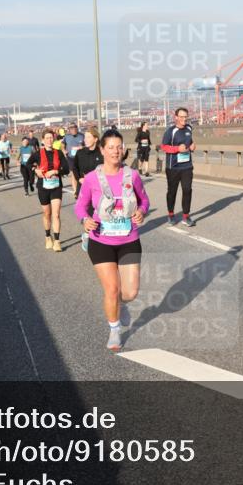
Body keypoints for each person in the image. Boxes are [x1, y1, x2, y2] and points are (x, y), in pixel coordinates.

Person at [75, 129, 149, 351]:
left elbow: (144, 200)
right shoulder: (91, 179)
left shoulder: (132, 175)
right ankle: (114, 330)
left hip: (128, 239)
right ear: (102, 150)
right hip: (101, 240)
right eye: (111, 147)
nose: (116, 151)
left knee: (130, 292)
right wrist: (85, 220)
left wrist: (141, 212)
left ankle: (121, 305)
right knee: (112, 289)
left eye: (119, 147)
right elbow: (80, 206)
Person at [29, 129, 70, 252]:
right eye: (47, 138)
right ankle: (48, 237)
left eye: (51, 138)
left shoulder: (59, 153)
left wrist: (56, 171)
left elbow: (67, 169)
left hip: (56, 186)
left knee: (56, 214)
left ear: (54, 139)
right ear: (42, 140)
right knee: (47, 214)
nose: (49, 140)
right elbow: (27, 164)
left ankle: (57, 241)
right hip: (43, 187)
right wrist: (35, 170)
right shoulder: (37, 153)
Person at [159, 107, 196, 227]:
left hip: (187, 166)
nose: (184, 119)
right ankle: (170, 214)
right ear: (176, 117)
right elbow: (163, 146)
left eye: (185, 117)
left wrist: (192, 145)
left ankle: (186, 216)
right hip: (173, 167)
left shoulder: (189, 128)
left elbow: (189, 140)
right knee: (172, 192)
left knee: (187, 190)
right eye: (181, 117)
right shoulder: (171, 131)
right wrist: (176, 149)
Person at [73, 126, 104, 197]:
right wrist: (79, 178)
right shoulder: (80, 153)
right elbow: (75, 168)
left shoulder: (102, 153)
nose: (85, 140)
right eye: (85, 137)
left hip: (99, 188)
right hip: (83, 187)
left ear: (95, 139)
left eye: (88, 137)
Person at [62, 123, 85, 194]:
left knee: (82, 173)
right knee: (73, 174)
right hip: (71, 158)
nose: (74, 129)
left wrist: (82, 148)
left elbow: (86, 145)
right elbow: (62, 145)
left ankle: (83, 189)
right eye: (72, 128)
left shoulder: (82, 136)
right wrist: (63, 150)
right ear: (69, 130)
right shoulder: (67, 136)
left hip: (81, 157)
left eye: (75, 128)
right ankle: (75, 191)